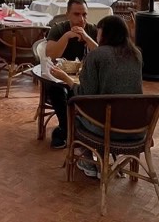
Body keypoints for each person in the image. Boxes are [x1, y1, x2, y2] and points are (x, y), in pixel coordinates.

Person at [49, 15, 143, 177]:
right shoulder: (136, 54)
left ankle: (89, 161)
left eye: (99, 33)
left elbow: (86, 95)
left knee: (74, 110)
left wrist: (66, 78)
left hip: (107, 129)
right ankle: (111, 163)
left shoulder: (97, 55)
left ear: (105, 34)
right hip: (136, 129)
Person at [41, 0, 100, 149]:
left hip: (82, 79)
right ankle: (69, 130)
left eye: (84, 14)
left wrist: (87, 38)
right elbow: (51, 54)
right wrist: (67, 36)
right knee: (57, 90)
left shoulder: (92, 30)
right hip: (58, 76)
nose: (81, 19)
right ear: (67, 14)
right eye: (76, 14)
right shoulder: (58, 29)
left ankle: (64, 132)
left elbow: (102, 56)